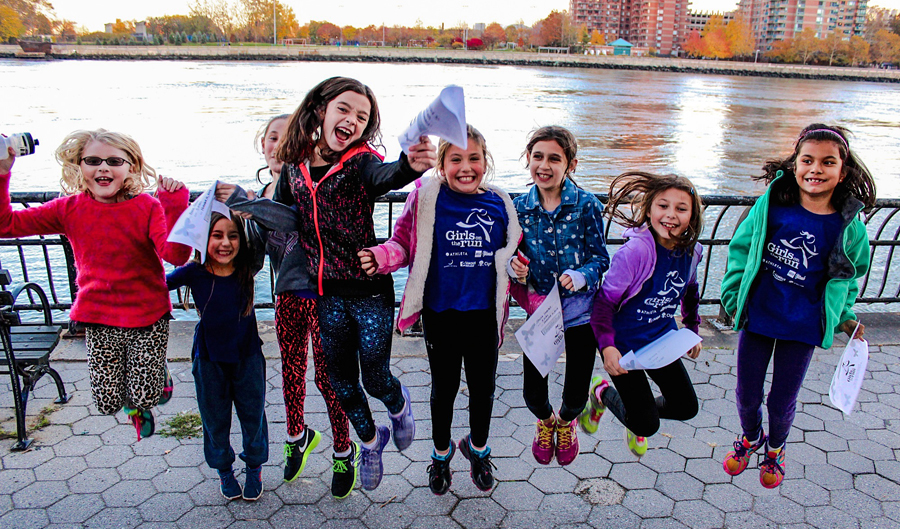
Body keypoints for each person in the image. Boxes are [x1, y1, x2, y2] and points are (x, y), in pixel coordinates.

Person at [220, 76, 437, 491]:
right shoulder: (296, 167)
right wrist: (244, 204)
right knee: (340, 382)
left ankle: (397, 403)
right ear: (320, 110)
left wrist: (410, 164)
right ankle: (370, 443)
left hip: (369, 291)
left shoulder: (361, 162)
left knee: (374, 378)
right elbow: (284, 216)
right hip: (326, 294)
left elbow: (385, 176)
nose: (352, 120)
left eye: (362, 116)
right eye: (344, 109)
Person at [359, 125, 521, 494]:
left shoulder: (499, 204)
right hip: (441, 314)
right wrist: (381, 257)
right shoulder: (426, 197)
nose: (466, 167)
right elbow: (401, 242)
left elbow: (509, 255)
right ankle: (441, 456)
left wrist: (518, 266)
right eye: (456, 159)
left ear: (486, 161)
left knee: (483, 390)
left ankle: (478, 450)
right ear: (442, 164)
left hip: (484, 314)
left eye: (474, 158)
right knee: (443, 389)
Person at [0, 129, 190, 440]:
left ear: (132, 167)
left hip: (148, 314)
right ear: (79, 166)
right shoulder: (68, 208)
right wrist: (2, 172)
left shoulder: (147, 206)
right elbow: (5, 224)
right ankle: (144, 381)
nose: (103, 167)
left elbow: (176, 255)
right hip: (97, 316)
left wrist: (173, 202)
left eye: (114, 161)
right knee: (107, 402)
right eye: (93, 160)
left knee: (145, 396)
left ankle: (150, 383)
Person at [720, 124, 875, 489]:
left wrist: (845, 316)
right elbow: (741, 249)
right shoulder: (773, 205)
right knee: (746, 393)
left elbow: (849, 277)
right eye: (807, 160)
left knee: (782, 398)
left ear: (843, 171)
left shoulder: (849, 225)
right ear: (795, 165)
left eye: (827, 162)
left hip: (804, 325)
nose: (816, 169)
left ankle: (775, 448)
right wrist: (731, 295)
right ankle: (750, 436)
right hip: (760, 316)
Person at [245, 115, 355, 498]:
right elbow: (256, 257)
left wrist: (247, 205)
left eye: (291, 139)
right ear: (264, 146)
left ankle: (344, 449)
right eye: (274, 138)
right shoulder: (256, 197)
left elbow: (290, 218)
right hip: (287, 297)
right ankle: (297, 435)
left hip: (327, 299)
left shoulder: (315, 189)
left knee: (329, 379)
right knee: (291, 371)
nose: (281, 145)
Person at [508, 126, 609, 466]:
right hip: (540, 310)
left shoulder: (587, 206)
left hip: (580, 312)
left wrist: (581, 276)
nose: (545, 165)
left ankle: (566, 423)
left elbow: (601, 259)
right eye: (538, 156)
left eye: (555, 158)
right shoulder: (518, 208)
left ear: (571, 164)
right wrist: (514, 267)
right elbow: (508, 255)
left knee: (575, 395)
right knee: (532, 395)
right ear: (528, 159)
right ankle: (546, 422)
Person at [586, 171, 704, 457]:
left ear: (693, 215)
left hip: (662, 342)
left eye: (681, 208)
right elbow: (602, 304)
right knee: (645, 425)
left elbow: (690, 291)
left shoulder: (693, 252)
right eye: (663, 206)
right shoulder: (635, 253)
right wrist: (608, 348)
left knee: (687, 407)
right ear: (649, 208)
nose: (670, 215)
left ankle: (638, 410)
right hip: (625, 348)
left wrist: (692, 329)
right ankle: (601, 392)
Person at [166, 212, 268, 501]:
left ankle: (254, 466)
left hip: (247, 356)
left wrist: (251, 206)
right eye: (217, 235)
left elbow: (269, 229)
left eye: (232, 236)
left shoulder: (248, 265)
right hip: (209, 359)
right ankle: (224, 470)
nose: (225, 243)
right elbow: (154, 284)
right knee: (214, 419)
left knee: (253, 416)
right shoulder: (192, 272)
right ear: (202, 239)